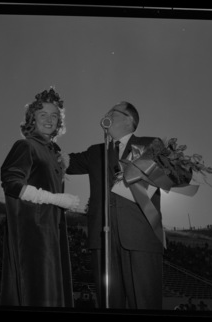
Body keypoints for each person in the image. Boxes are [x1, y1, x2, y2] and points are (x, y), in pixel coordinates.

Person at [65, 101, 192, 310]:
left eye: (111, 111)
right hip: (102, 239)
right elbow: (63, 162)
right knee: (108, 303)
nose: (105, 113)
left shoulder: (152, 144)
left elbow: (184, 175)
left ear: (129, 120)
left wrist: (159, 172)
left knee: (144, 304)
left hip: (141, 236)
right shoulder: (95, 152)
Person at [0, 87, 80, 307]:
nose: (49, 119)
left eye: (54, 115)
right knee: (37, 293)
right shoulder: (25, 145)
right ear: (31, 119)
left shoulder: (53, 152)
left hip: (53, 232)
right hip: (33, 232)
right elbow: (12, 183)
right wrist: (56, 199)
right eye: (42, 114)